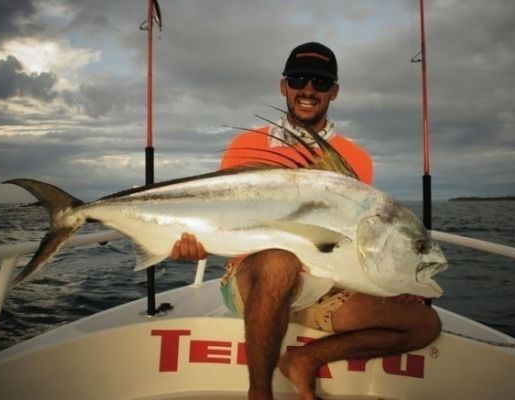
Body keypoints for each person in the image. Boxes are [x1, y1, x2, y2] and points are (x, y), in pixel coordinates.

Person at [171, 42, 441, 400]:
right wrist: (194, 243)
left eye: (320, 81)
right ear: (284, 86)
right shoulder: (245, 144)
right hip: (252, 280)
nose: (308, 90)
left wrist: (396, 278)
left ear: (334, 91)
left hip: (321, 287)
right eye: (299, 80)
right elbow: (224, 218)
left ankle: (305, 358)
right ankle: (259, 393)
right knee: (278, 262)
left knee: (424, 323)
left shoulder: (356, 158)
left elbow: (354, 241)